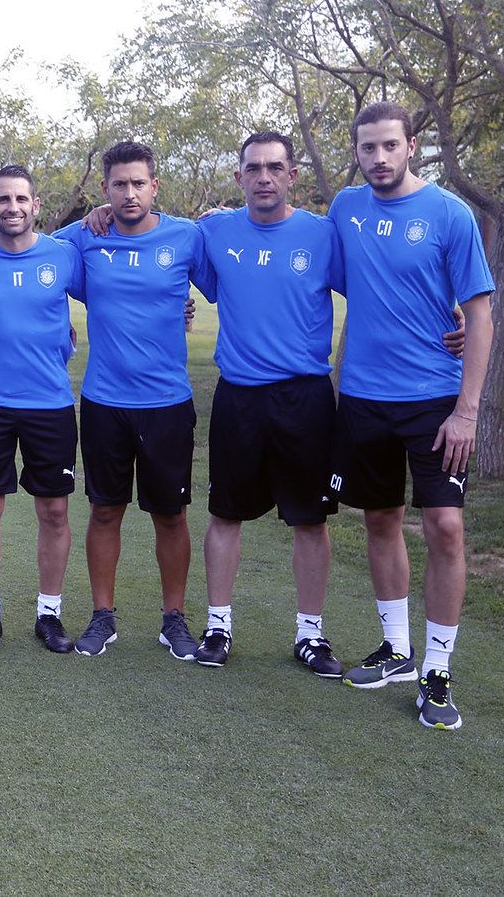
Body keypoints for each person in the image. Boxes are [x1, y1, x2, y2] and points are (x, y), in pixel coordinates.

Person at [329, 102, 494, 730]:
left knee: (446, 528)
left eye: (389, 146)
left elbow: (477, 316)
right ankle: (398, 651)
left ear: (412, 146)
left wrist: (468, 413)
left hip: (435, 402)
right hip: (365, 398)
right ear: (357, 151)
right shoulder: (346, 209)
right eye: (367, 148)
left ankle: (437, 670)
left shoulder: (451, 213)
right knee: (381, 518)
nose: (379, 158)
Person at [186, 132, 345, 675]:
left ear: (292, 175)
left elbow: (382, 286)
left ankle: (310, 634)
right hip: (240, 398)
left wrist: (453, 316)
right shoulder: (213, 231)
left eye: (275, 167)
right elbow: (155, 244)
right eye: (253, 168)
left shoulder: (323, 235)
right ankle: (218, 625)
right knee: (226, 513)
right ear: (239, 178)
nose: (264, 177)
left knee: (309, 521)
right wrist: (94, 219)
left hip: (305, 397)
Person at [55, 141, 202, 662]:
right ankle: (102, 616)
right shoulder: (85, 238)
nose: (130, 192)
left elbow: (233, 277)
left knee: (171, 516)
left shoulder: (186, 237)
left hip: (166, 403)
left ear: (155, 186)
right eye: (120, 184)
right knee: (104, 512)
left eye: (139, 183)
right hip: (104, 403)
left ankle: (174, 620)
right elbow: (24, 241)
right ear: (105, 189)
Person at [0, 166, 86, 655]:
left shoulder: (64, 257)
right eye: (3, 200)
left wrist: (179, 309)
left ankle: (48, 615)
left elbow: (114, 294)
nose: (13, 207)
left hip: (50, 405)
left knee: (53, 510)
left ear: (36, 206)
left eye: (21, 199)